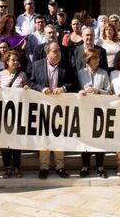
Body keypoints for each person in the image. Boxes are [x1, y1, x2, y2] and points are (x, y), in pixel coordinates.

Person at [28, 41, 76, 179]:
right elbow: (31, 82)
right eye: (55, 51)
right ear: (47, 53)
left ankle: (60, 167)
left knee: (59, 136)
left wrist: (64, 88)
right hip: (43, 107)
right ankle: (44, 167)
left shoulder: (66, 65)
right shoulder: (37, 65)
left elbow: (73, 82)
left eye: (59, 50)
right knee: (44, 137)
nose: (58, 53)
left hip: (60, 108)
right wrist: (41, 88)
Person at [0, 50, 29, 178]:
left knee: (16, 141)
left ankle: (17, 167)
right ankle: (7, 167)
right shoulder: (0, 75)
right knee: (5, 141)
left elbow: (27, 90)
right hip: (4, 112)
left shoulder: (22, 75)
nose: (15, 62)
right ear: (7, 61)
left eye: (16, 60)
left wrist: (26, 89)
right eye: (12, 60)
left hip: (18, 112)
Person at [77, 48, 110, 178]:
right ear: (88, 60)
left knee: (99, 138)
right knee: (85, 138)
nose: (98, 60)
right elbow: (76, 89)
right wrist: (82, 91)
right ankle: (85, 166)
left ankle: (100, 166)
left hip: (99, 110)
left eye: (98, 58)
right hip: (84, 110)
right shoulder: (80, 73)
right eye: (95, 58)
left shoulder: (103, 73)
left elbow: (109, 91)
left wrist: (98, 90)